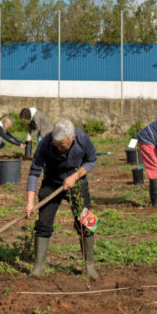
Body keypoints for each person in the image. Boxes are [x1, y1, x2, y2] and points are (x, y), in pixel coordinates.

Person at [25, 118, 99, 279]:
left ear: (72, 138)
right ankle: (38, 268)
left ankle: (90, 266)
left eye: (62, 146)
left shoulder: (83, 139)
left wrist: (74, 176)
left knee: (87, 222)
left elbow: (91, 161)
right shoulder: (46, 143)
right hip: (51, 184)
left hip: (77, 184)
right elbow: (34, 171)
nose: (58, 149)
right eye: (56, 145)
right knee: (43, 224)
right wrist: (30, 203)